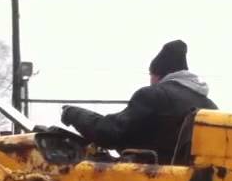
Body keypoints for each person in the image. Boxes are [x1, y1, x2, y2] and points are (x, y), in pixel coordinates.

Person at [60, 40, 216, 165]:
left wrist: (74, 114)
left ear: (158, 74)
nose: (150, 81)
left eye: (151, 75)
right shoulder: (210, 107)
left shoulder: (153, 95)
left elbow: (109, 132)